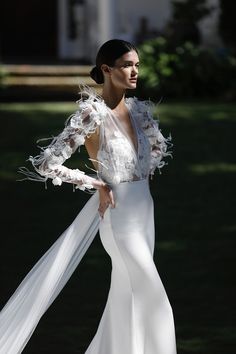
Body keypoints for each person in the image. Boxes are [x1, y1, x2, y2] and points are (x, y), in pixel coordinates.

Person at [0, 39, 177, 354]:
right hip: (119, 216)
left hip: (144, 213)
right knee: (157, 302)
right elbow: (46, 163)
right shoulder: (91, 112)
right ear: (107, 70)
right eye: (126, 65)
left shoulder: (139, 110)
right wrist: (97, 184)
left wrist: (140, 174)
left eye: (137, 64)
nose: (135, 71)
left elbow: (159, 148)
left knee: (125, 299)